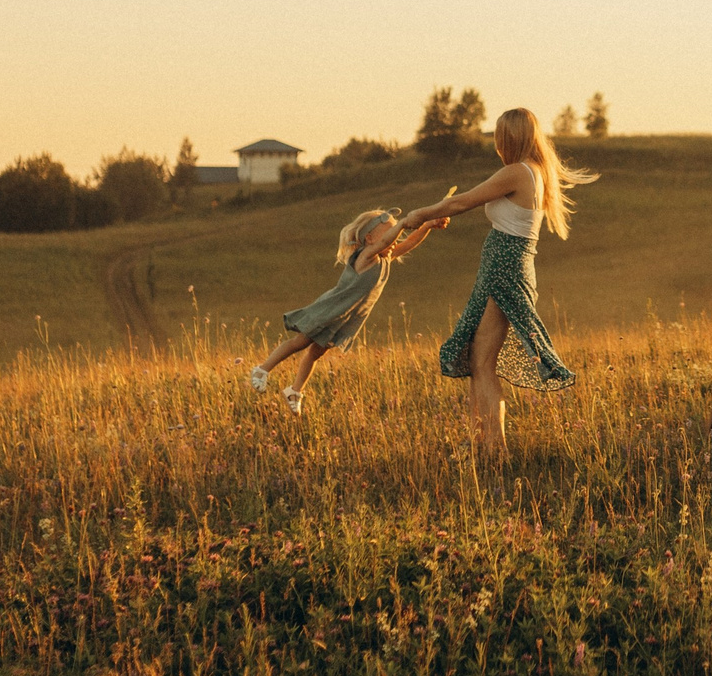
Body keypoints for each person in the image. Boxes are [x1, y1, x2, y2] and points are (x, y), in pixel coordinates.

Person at [390, 107, 597, 454]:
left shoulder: (517, 172)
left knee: (483, 363)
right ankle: (483, 443)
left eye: (500, 137)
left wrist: (420, 215)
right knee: (478, 360)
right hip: (503, 266)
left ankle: (494, 450)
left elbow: (462, 202)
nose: (497, 144)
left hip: (505, 268)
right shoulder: (532, 172)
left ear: (510, 138)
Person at [248, 207, 446, 413]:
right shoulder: (367, 256)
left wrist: (428, 225)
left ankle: (294, 391)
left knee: (316, 352)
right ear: (369, 239)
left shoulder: (386, 259)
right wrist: (403, 223)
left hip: (345, 317)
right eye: (390, 233)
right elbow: (385, 242)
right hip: (332, 308)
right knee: (301, 341)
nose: (394, 239)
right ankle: (262, 369)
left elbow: (410, 242)